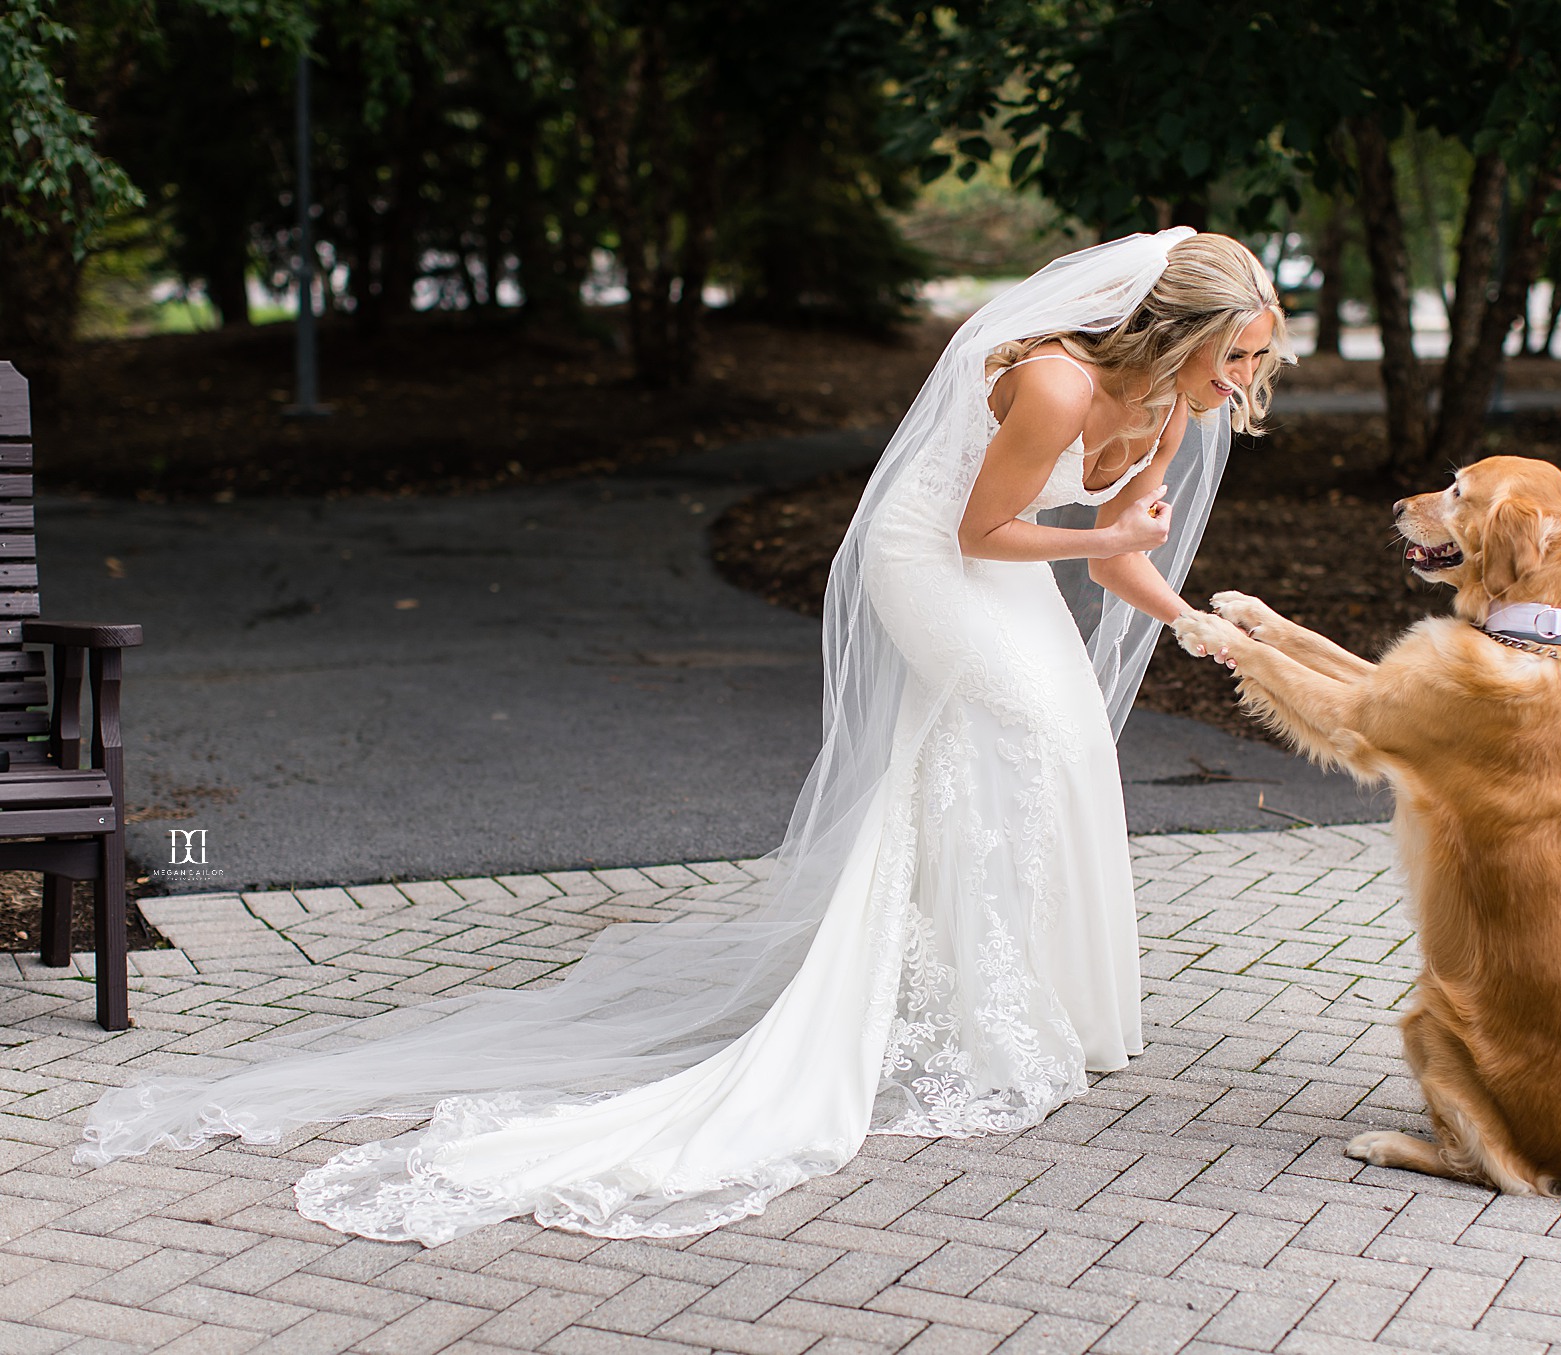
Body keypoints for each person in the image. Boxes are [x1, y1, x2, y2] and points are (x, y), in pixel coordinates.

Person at [78, 228, 1289, 1245]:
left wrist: (1183, 616)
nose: (1246, 377)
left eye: (1257, 357)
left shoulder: (1170, 406)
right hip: (929, 561)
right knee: (1021, 724)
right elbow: (980, 530)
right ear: (1177, 332)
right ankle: (952, 1000)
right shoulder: (1059, 382)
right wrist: (1096, 539)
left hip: (1011, 560)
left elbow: (1121, 545)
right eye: (1235, 353)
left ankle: (1037, 1000)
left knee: (1068, 736)